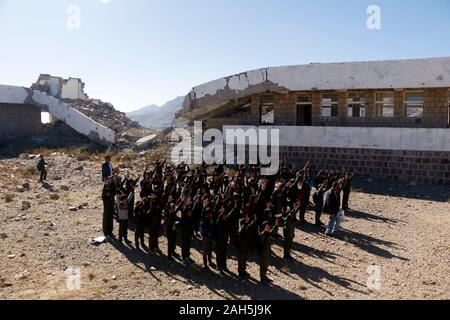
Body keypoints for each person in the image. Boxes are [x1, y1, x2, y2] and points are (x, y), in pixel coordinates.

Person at [237, 215, 256, 279]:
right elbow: (240, 231)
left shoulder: (246, 229)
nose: (247, 224)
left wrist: (254, 220)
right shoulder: (241, 230)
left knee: (244, 260)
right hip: (241, 248)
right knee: (241, 261)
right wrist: (245, 223)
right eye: (246, 223)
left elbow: (251, 225)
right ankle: (240, 273)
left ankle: (243, 271)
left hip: (245, 248)